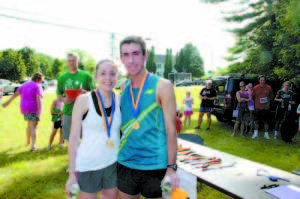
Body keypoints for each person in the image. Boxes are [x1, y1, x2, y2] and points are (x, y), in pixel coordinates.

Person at [117, 36, 178, 199]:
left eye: (136, 53)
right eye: (126, 54)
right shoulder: (123, 86)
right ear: (121, 58)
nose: (131, 60)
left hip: (155, 165)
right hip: (126, 162)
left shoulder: (163, 85)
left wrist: (171, 168)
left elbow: (171, 129)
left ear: (145, 56)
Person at [66, 60, 121, 199]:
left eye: (112, 74)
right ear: (95, 77)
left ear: (117, 77)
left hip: (113, 164)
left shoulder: (120, 100)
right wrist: (72, 174)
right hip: (88, 165)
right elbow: (73, 140)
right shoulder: (83, 100)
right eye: (103, 73)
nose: (108, 78)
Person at [56, 53, 95, 143]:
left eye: (73, 60)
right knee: (70, 138)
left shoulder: (86, 76)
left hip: (84, 111)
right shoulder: (62, 77)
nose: (71, 63)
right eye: (69, 61)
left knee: (86, 137)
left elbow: (94, 92)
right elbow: (59, 94)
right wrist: (64, 100)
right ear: (67, 62)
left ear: (78, 61)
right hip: (68, 111)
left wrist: (85, 93)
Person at [2, 72, 44, 151]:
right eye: (41, 80)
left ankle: (28, 142)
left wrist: (7, 102)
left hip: (25, 108)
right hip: (34, 108)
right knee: (34, 126)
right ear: (38, 79)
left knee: (29, 125)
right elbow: (39, 98)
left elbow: (15, 94)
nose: (41, 82)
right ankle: (33, 146)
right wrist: (40, 110)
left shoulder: (24, 85)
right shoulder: (37, 86)